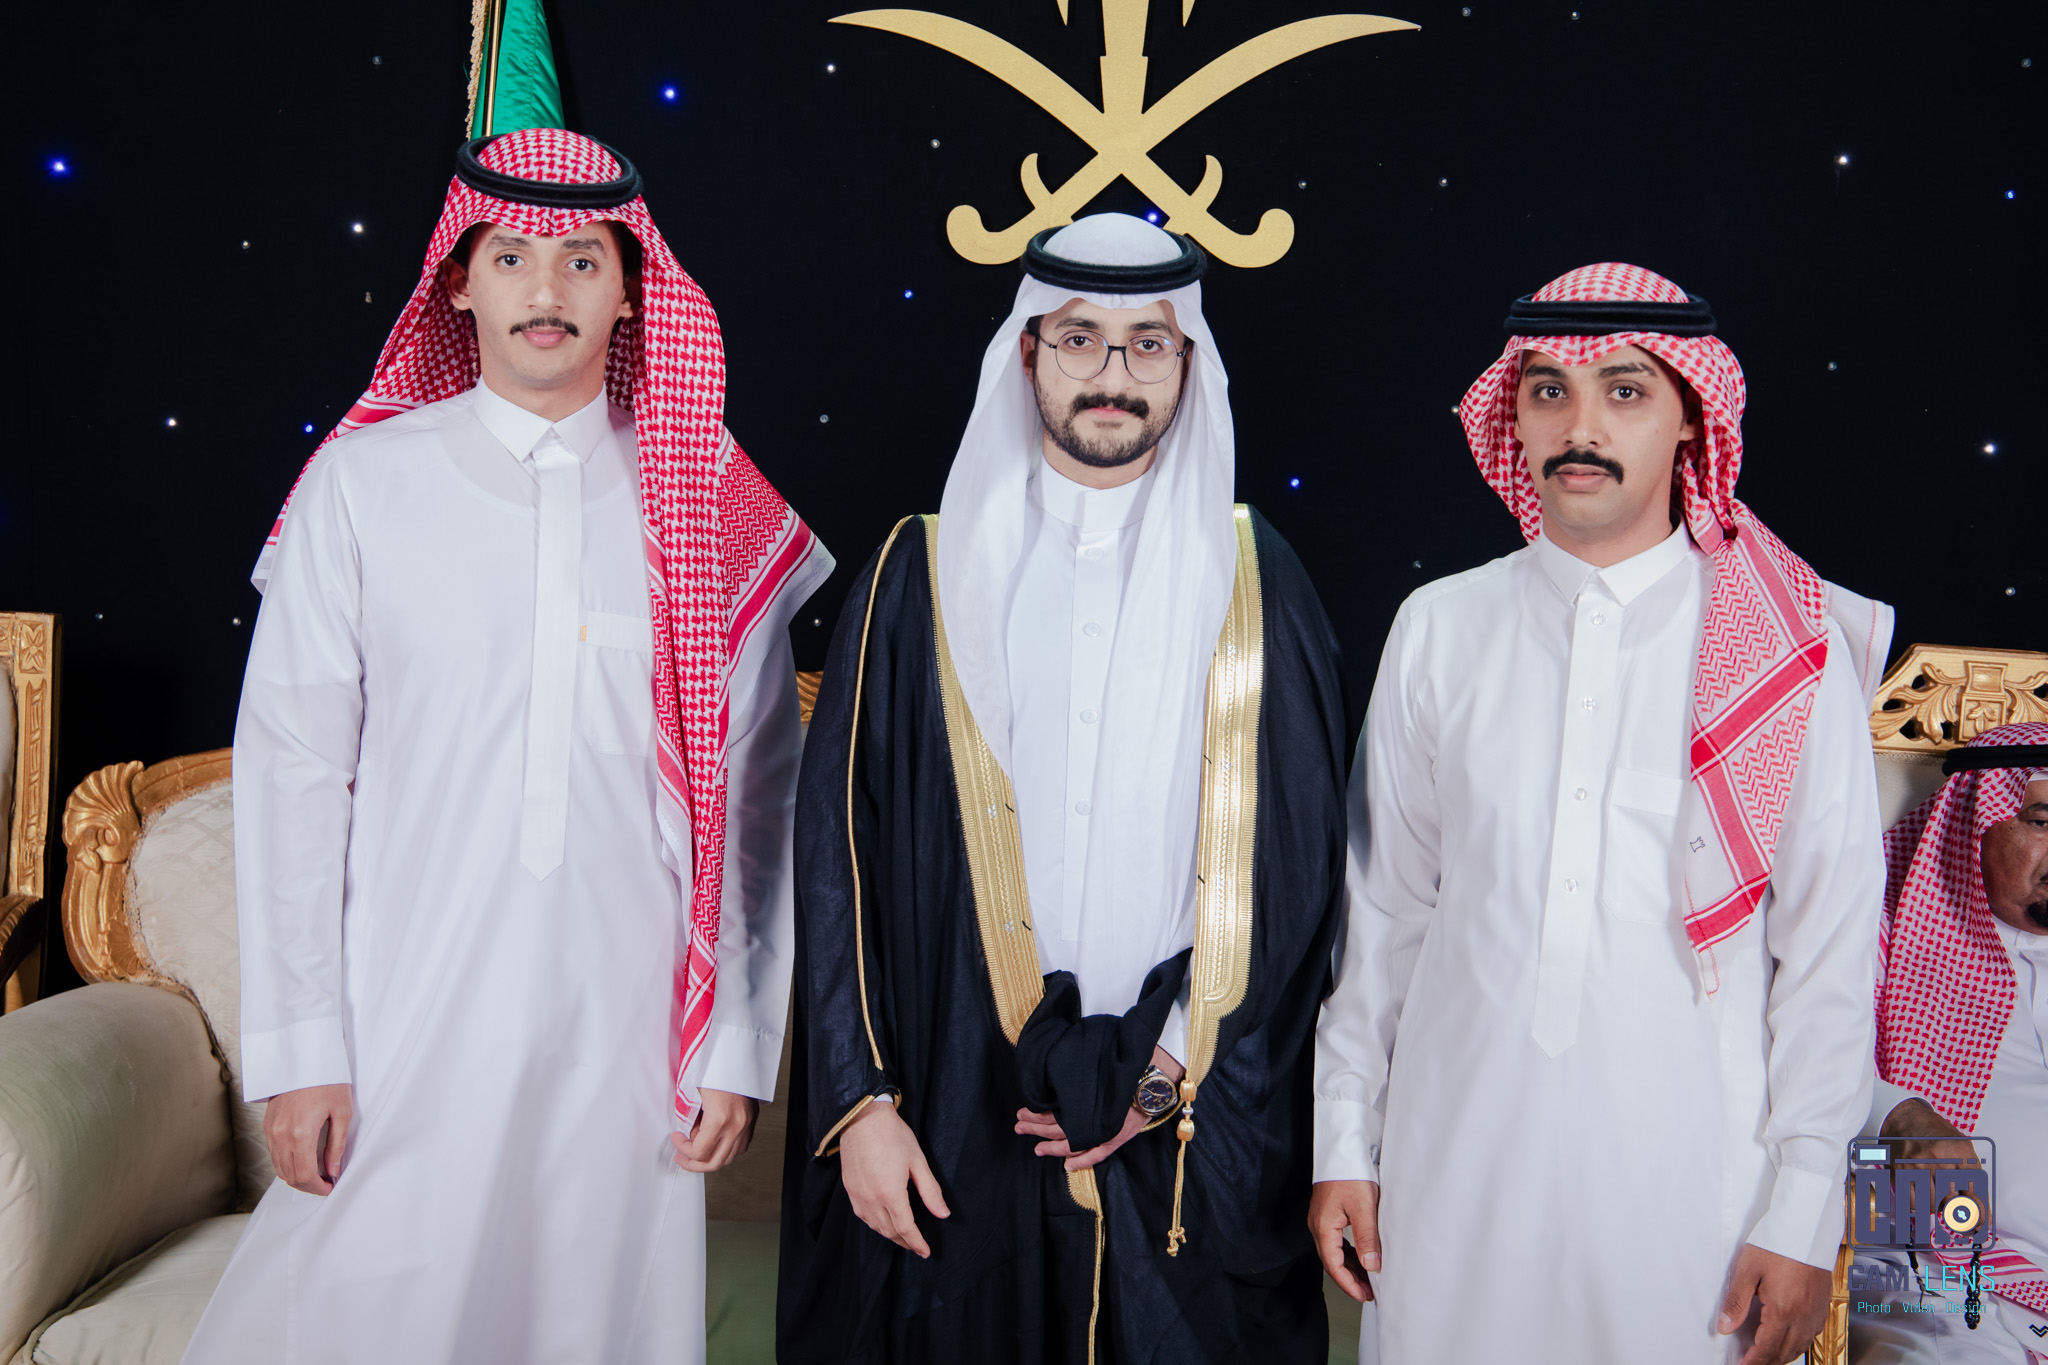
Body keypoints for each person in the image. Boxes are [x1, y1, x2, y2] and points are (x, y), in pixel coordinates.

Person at [183, 128, 830, 1364]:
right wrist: (301, 1048)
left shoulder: (707, 502)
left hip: (628, 1019)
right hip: (404, 998)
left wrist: (735, 1042)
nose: (547, 290)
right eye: (513, 257)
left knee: (591, 1317)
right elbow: (292, 774)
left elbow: (755, 798)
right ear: (457, 282)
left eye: (582, 260)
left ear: (630, 290)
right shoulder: (361, 486)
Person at [775, 213, 1348, 1363]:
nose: (1113, 375)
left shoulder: (1253, 577)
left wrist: (1164, 1071)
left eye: (1148, 344)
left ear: (1186, 364)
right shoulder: (919, 573)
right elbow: (838, 858)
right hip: (950, 1103)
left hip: (1178, 1111)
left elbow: (1297, 871)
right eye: (1080, 339)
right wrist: (860, 1103)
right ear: (1028, 351)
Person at [1309, 263, 1895, 1365]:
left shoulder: (1786, 651)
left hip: (1692, 1194)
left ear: (1691, 418)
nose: (1579, 427)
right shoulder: (1439, 626)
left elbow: (1828, 950)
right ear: (1514, 417)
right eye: (1548, 391)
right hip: (1451, 1170)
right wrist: (1342, 1139)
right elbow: (1382, 917)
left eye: (1624, 391)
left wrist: (1804, 1204)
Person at [1849, 722, 2048, 1364]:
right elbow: (1803, 1057)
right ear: (1974, 824)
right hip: (1936, 1274)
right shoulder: (1879, 931)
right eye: (2043, 821)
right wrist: (1898, 1115)